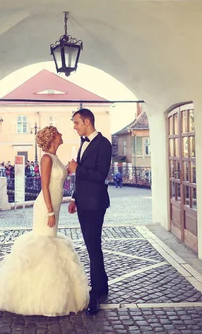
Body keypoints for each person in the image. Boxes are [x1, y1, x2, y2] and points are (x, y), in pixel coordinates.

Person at [0, 126, 89, 316]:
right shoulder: (46, 158)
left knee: (50, 243)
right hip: (46, 207)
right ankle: (36, 296)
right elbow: (45, 186)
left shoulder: (55, 158)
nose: (62, 135)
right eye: (59, 133)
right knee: (43, 244)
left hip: (54, 207)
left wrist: (69, 169)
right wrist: (49, 211)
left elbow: (59, 178)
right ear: (52, 138)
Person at [67, 108, 112, 316]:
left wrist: (77, 169)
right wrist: (75, 198)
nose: (74, 127)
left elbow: (100, 174)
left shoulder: (104, 144)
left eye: (76, 123)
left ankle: (95, 295)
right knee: (93, 246)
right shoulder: (83, 143)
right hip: (83, 202)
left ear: (86, 121)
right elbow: (82, 177)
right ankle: (102, 286)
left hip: (95, 203)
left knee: (93, 247)